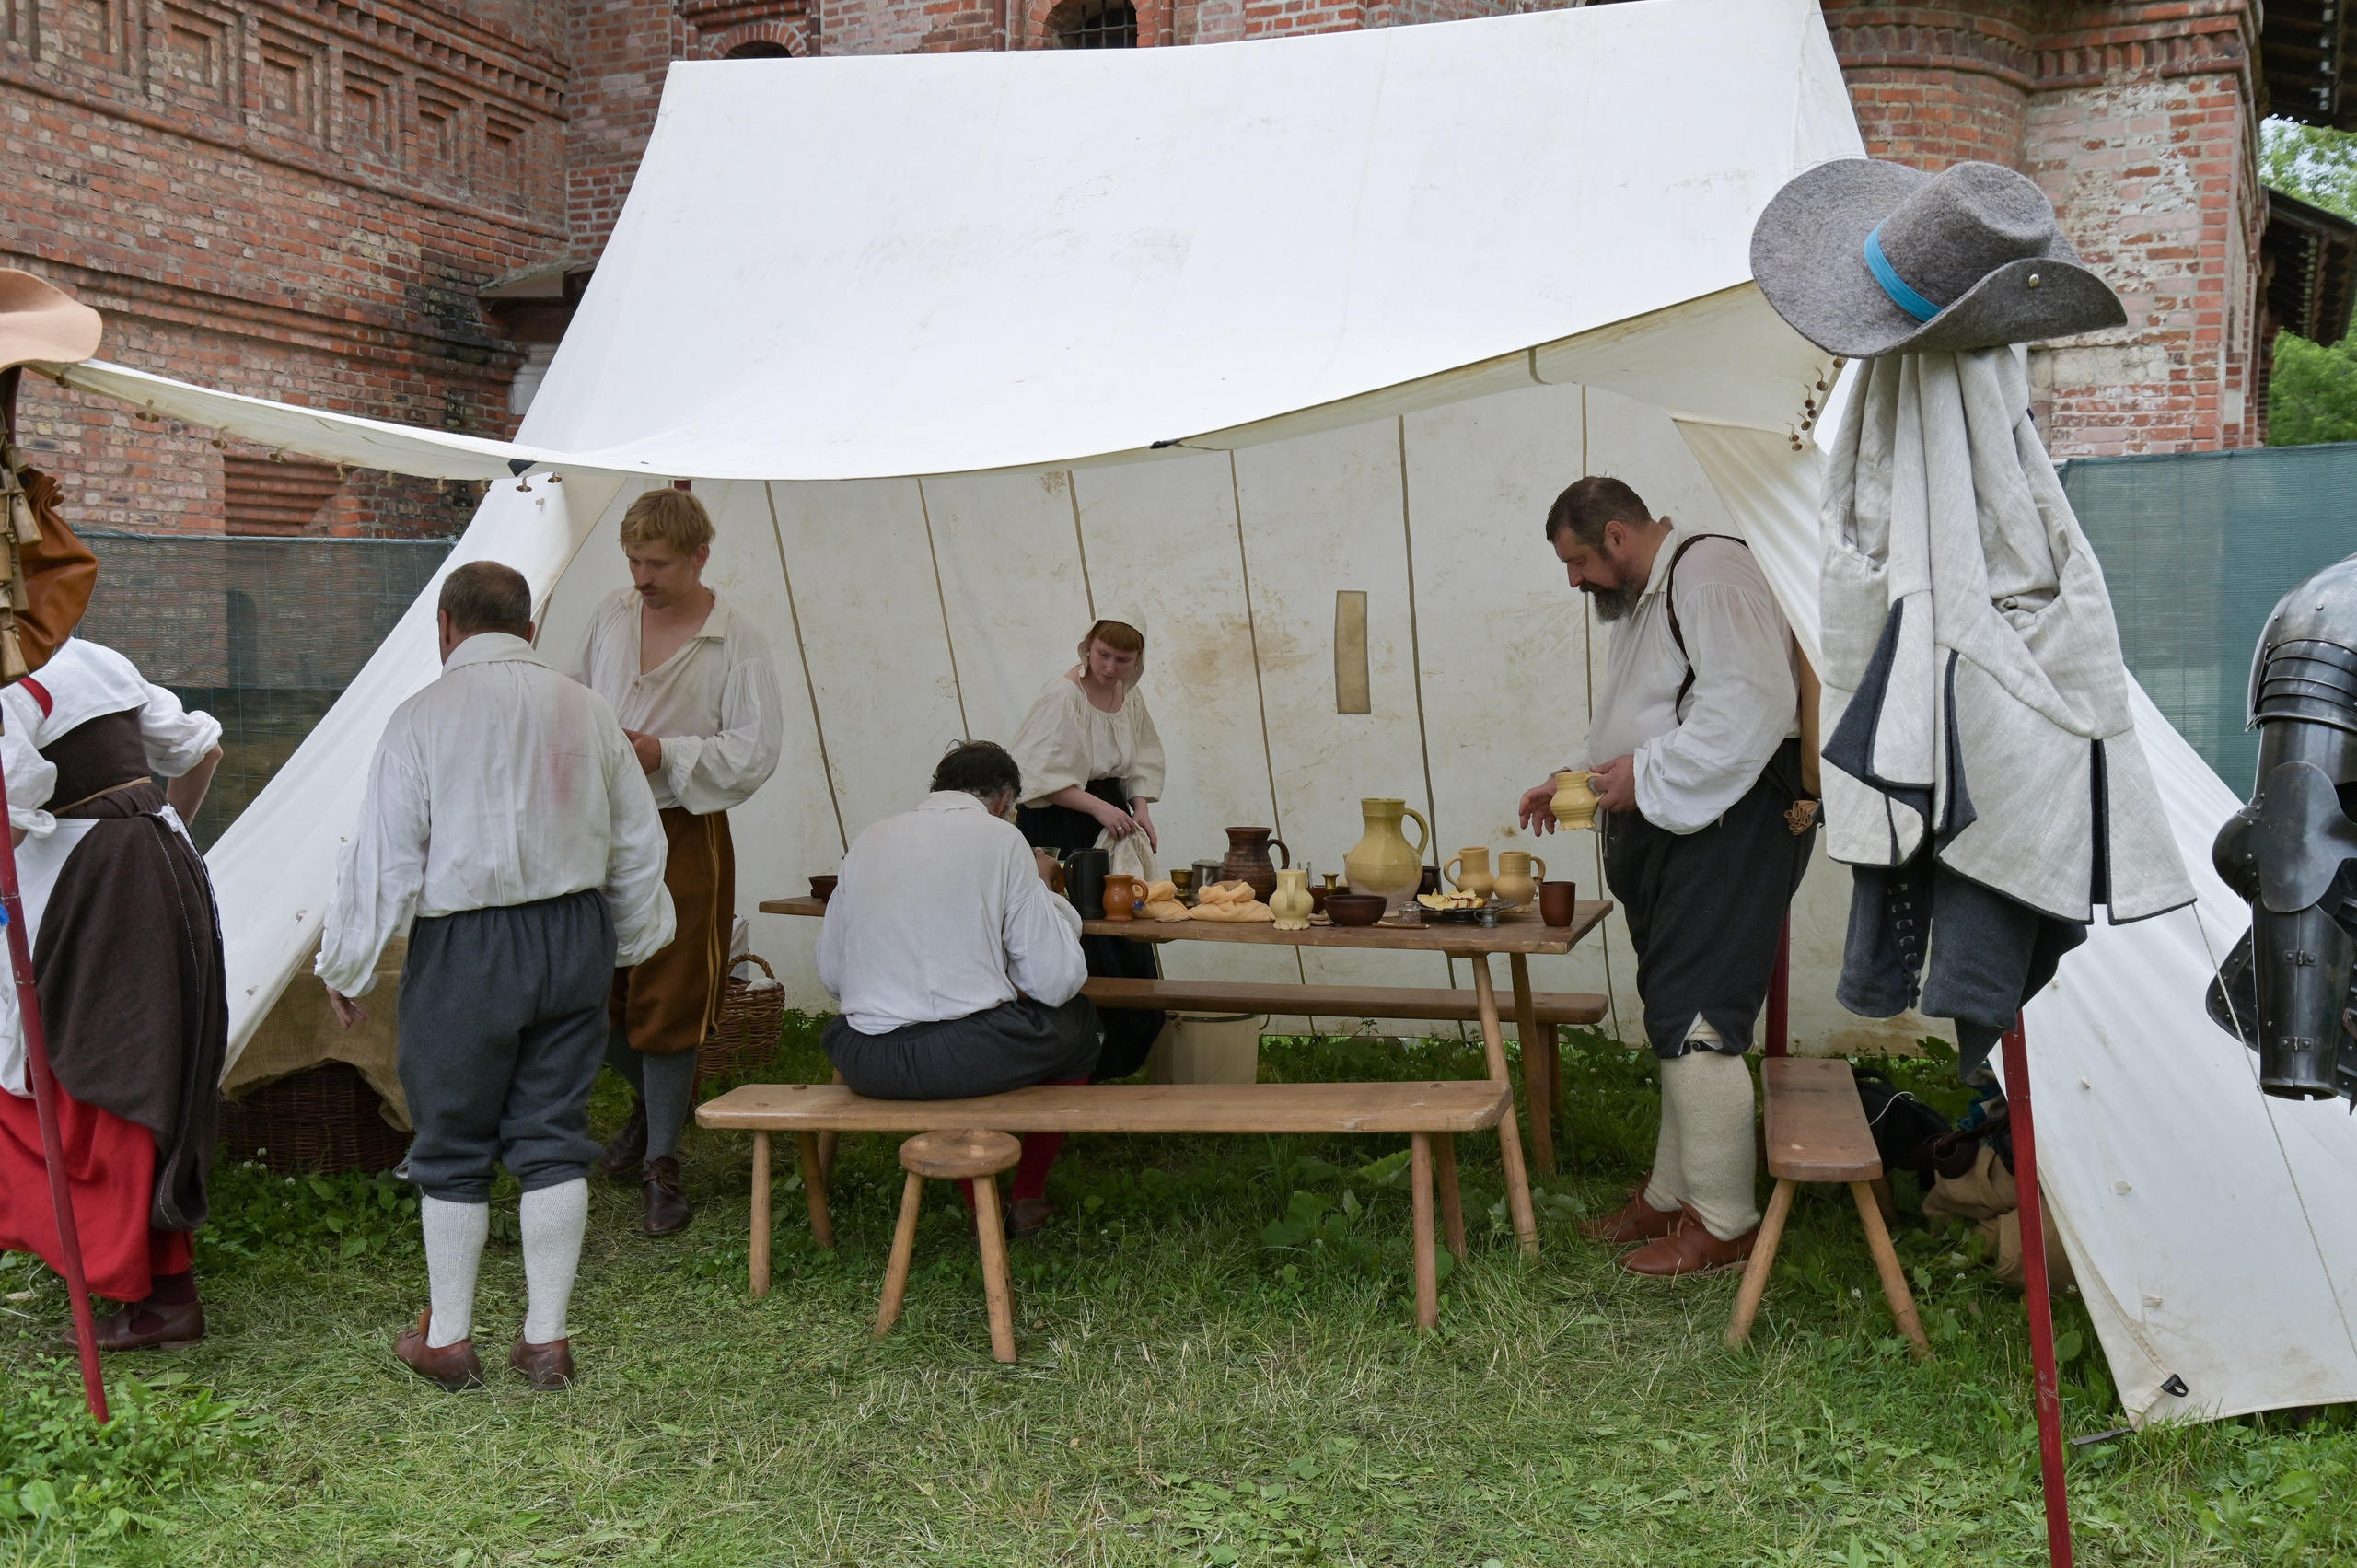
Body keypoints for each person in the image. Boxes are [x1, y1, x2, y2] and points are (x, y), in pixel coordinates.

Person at [319, 561, 673, 1390]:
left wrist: (350, 961)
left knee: (453, 1138)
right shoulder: (588, 711)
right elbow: (637, 840)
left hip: (467, 944)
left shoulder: (421, 716)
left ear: (444, 626)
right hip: (572, 933)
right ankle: (545, 1341)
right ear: (530, 627)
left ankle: (449, 1340)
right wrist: (621, 940)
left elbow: (386, 852)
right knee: (554, 1130)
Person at [1515, 476, 1816, 1277]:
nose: (1574, 581)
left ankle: (1723, 1221)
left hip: (1735, 819)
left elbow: (1749, 707)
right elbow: (1647, 716)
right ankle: (1670, 1194)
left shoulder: (1709, 573)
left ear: (1617, 535)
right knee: (1675, 1007)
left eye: (1577, 562)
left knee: (1700, 1012)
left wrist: (1642, 774)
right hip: (1685, 821)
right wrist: (1577, 777)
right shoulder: (1652, 594)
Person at [0, 637, 226, 1350]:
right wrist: (167, 833)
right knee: (145, 1073)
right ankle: (165, 1295)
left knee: (98, 1083)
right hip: (165, 864)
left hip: (87, 889)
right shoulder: (96, 657)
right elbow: (202, 751)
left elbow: (12, 800)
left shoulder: (12, 679)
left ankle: (151, 1289)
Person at [569, 488, 783, 1237]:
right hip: (599, 826)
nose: (642, 576)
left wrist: (665, 751)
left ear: (699, 554)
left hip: (686, 829)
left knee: (669, 992)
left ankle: (663, 1162)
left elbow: (756, 751)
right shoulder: (611, 614)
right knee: (582, 986)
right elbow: (573, 701)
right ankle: (660, 1104)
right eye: (632, 560)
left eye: (656, 562)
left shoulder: (736, 638)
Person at [819, 740, 1099, 1237]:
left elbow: (834, 977)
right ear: (1003, 802)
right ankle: (1021, 1195)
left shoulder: (869, 838)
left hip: (864, 1059)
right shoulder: (1001, 839)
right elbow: (1055, 982)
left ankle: (982, 1195)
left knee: (970, 1037)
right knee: (1079, 1023)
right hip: (957, 1058)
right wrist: (1046, 890)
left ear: (939, 788)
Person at [1006, 618, 1165, 1082]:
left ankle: (1111, 1062)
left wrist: (1140, 810)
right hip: (1060, 821)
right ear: (1086, 649)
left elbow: (1142, 759)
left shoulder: (1129, 695)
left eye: (1123, 660)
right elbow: (1035, 775)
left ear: (1136, 661)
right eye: (1103, 655)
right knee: (1080, 934)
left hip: (1105, 813)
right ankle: (1069, 1060)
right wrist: (1099, 808)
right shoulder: (1062, 695)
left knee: (1123, 931)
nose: (1111, 667)